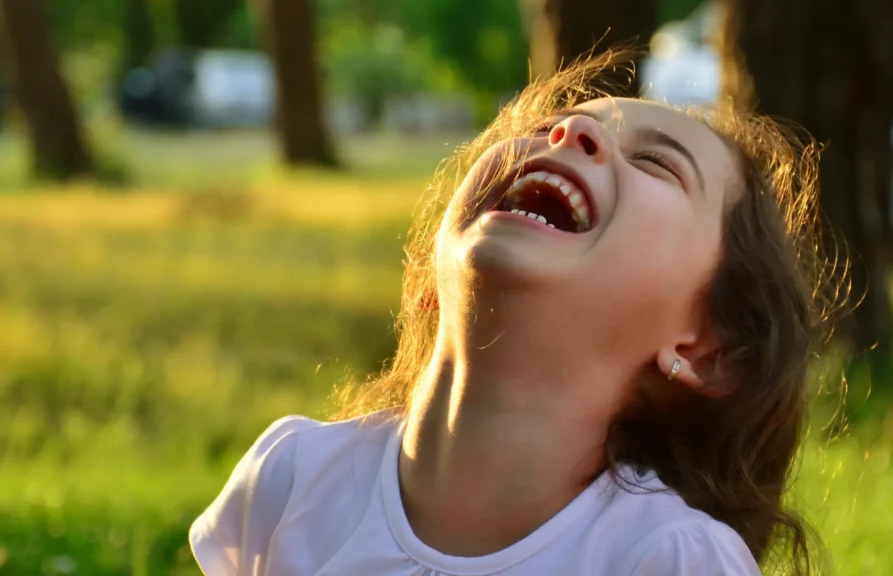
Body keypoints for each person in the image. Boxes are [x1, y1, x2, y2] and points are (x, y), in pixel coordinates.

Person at [189, 54, 839, 576]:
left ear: (704, 347)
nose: (568, 132)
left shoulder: (666, 558)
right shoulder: (292, 480)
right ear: (429, 285)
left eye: (654, 162)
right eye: (541, 129)